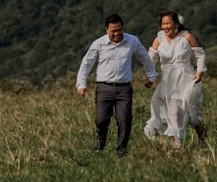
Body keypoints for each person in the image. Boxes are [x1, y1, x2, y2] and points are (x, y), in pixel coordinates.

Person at [76, 13, 157, 157]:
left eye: (119, 30)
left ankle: (121, 150)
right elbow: (87, 63)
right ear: (106, 29)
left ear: (123, 28)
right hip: (104, 87)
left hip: (124, 88)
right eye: (113, 31)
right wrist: (81, 84)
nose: (116, 33)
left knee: (124, 120)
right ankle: (101, 138)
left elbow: (144, 57)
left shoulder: (132, 41)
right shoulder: (98, 44)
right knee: (101, 119)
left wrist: (151, 75)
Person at [143, 9, 208, 148]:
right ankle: (199, 134)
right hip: (167, 79)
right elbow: (151, 59)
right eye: (163, 24)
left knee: (178, 111)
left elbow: (200, 55)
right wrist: (150, 77)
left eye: (168, 23)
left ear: (177, 24)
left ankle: (178, 147)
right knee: (161, 105)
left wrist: (200, 71)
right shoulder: (159, 38)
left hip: (184, 77)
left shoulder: (186, 37)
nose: (165, 27)